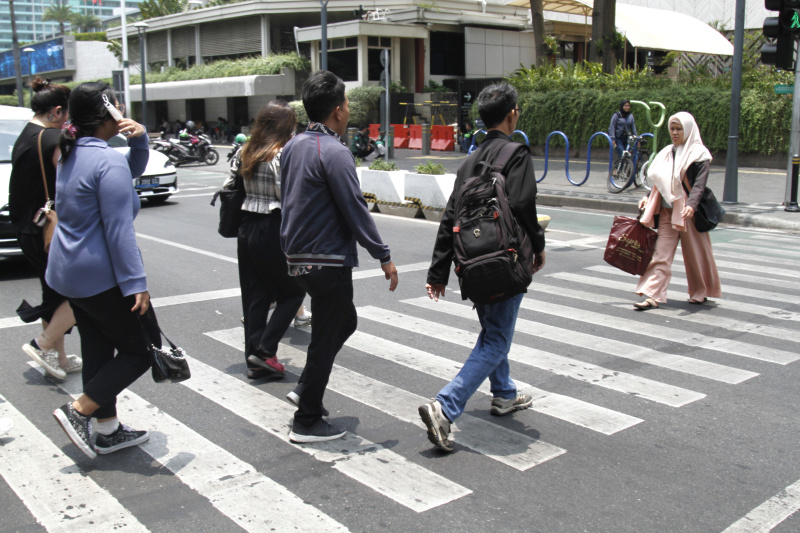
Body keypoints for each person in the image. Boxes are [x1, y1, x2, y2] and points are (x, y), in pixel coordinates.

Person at [418, 82, 546, 453]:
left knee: (493, 331)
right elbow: (523, 205)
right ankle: (446, 406)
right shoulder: (516, 153)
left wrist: (437, 272)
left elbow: (449, 218)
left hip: (471, 262)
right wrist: (537, 247)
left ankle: (504, 393)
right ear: (512, 115)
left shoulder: (468, 161)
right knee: (496, 338)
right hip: (505, 259)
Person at [280, 71, 398, 443]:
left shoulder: (294, 145)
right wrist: (383, 255)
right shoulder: (333, 151)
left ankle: (305, 387)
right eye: (347, 103)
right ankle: (307, 419)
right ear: (337, 111)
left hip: (297, 257)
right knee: (330, 330)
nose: (349, 109)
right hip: (325, 259)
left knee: (343, 321)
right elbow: (355, 210)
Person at [47, 81, 153, 459]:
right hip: (98, 273)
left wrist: (139, 142)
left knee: (97, 346)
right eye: (117, 103)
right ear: (109, 111)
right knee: (139, 351)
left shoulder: (70, 151)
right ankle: (79, 411)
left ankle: (106, 429)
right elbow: (118, 228)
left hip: (68, 271)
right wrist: (136, 283)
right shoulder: (105, 159)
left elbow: (126, 175)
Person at [8, 77, 80, 381]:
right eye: (68, 116)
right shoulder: (51, 140)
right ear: (57, 112)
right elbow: (70, 183)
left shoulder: (26, 133)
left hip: (28, 226)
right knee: (80, 293)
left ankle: (57, 356)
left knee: (52, 291)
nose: (69, 122)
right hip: (46, 229)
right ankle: (44, 344)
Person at [232, 101, 309, 380]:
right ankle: (265, 351)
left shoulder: (246, 151)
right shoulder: (280, 155)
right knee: (293, 292)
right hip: (272, 227)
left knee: (256, 297)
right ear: (285, 126)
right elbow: (287, 198)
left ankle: (254, 361)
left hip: (246, 228)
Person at [633, 112, 721, 310]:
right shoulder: (666, 152)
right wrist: (648, 199)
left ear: (688, 130)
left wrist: (691, 205)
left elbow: (699, 185)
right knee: (660, 255)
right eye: (672, 129)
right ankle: (652, 295)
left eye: (678, 129)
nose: (674, 133)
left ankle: (701, 291)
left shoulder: (700, 154)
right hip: (666, 212)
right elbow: (659, 185)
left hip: (689, 214)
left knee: (697, 256)